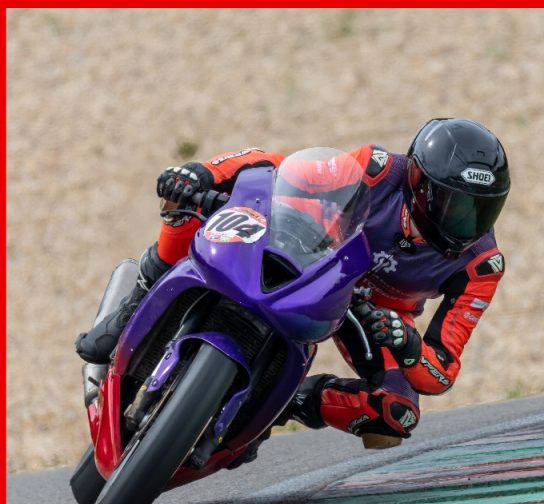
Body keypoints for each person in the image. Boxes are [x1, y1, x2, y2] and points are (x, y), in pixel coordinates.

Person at [75, 118, 510, 446]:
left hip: (373, 315)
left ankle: (279, 405)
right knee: (182, 200)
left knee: (396, 419)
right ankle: (134, 302)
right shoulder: (376, 169)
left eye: (481, 210)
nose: (466, 223)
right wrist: (204, 174)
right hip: (316, 258)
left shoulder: (482, 265)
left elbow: (441, 370)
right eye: (455, 205)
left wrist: (406, 342)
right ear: (419, 184)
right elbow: (279, 167)